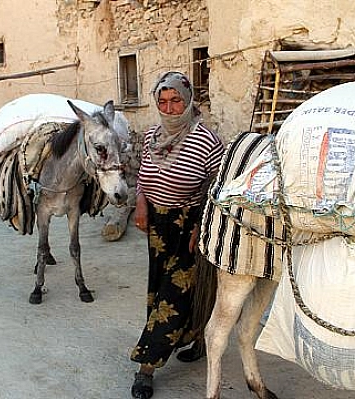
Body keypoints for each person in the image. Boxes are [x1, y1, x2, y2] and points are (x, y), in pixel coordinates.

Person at [130, 71, 225, 399]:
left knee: (175, 295)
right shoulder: (150, 136)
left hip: (189, 225)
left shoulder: (206, 140)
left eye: (176, 101)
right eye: (163, 101)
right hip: (156, 224)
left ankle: (147, 367)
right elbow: (142, 177)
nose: (169, 108)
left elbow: (217, 188)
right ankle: (197, 338)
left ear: (188, 101)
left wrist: (202, 226)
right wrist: (140, 204)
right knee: (157, 289)